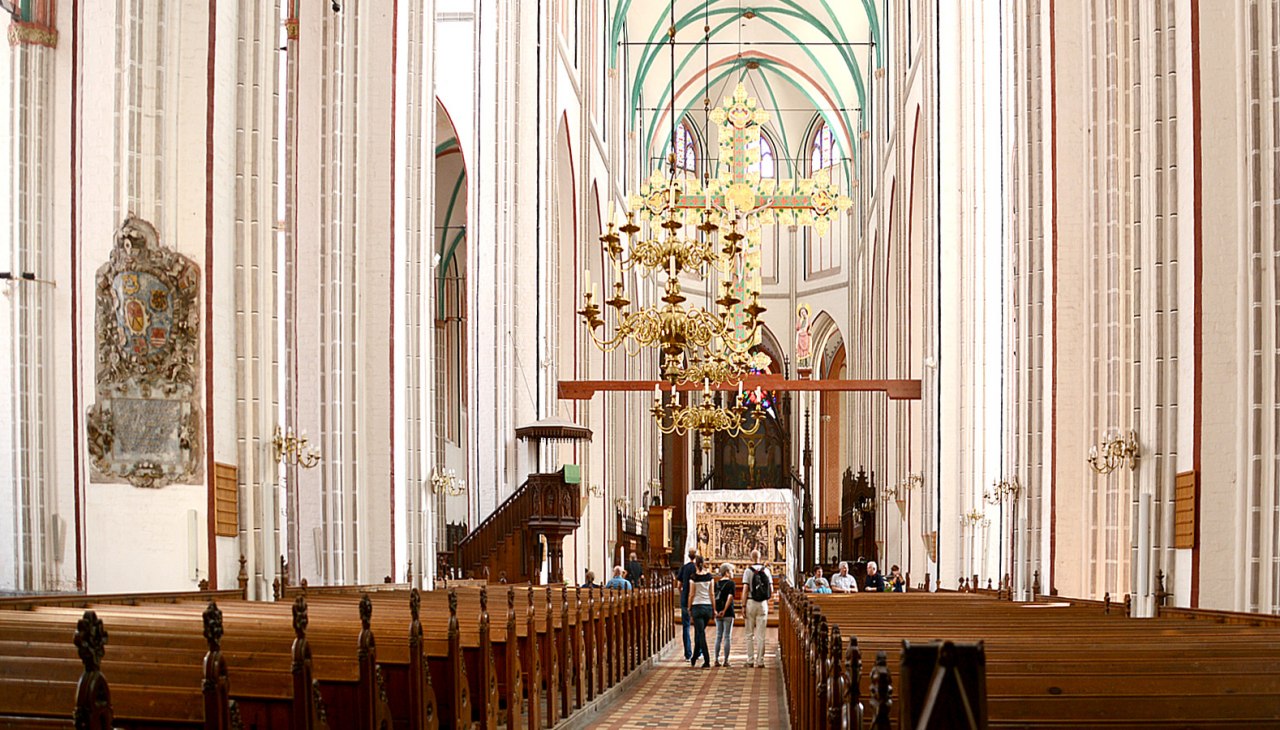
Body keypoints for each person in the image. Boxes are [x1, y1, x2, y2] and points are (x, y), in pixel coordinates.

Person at [741, 550, 772, 668]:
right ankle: (760, 661)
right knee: (761, 634)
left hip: (750, 602)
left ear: (751, 558)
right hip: (763, 603)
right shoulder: (767, 571)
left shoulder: (748, 571)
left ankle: (750, 660)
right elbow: (771, 590)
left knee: (749, 634)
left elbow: (745, 589)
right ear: (760, 557)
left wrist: (743, 606)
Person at [686, 556, 714, 668]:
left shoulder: (693, 577)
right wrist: (714, 608)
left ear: (696, 565)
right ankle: (694, 657)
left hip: (697, 607)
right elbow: (712, 594)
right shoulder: (710, 577)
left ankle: (707, 660)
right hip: (707, 607)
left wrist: (689, 607)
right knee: (699, 632)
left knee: (701, 633)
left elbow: (691, 594)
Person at [713, 563, 736, 667]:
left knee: (718, 636)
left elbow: (713, 597)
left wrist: (715, 610)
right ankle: (726, 660)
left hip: (717, 612)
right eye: (732, 571)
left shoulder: (716, 583)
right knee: (727, 636)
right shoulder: (731, 584)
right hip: (728, 612)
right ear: (727, 572)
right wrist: (725, 610)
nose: (733, 573)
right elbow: (730, 598)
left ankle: (716, 659)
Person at [677, 548, 698, 661]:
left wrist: (682, 594)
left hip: (685, 599)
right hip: (696, 600)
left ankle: (688, 654)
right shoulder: (698, 568)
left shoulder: (684, 568)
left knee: (686, 626)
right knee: (698, 627)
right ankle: (698, 652)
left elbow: (678, 585)